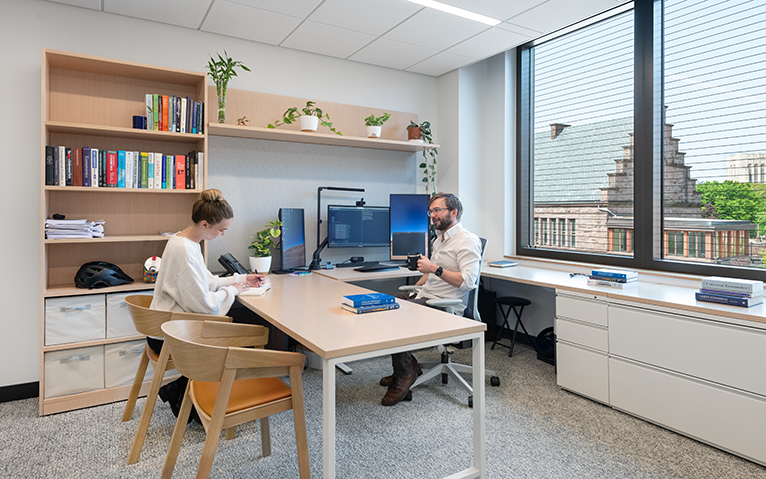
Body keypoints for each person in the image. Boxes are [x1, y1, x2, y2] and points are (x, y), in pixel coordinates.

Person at [149, 188, 266, 419]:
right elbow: (204, 304)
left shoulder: (186, 242)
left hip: (169, 326)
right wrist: (232, 291)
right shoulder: (184, 249)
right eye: (221, 229)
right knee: (244, 334)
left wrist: (241, 279)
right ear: (205, 224)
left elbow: (204, 282)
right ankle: (203, 401)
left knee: (240, 328)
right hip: (170, 335)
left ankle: (182, 391)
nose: (223, 234)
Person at [381, 192, 482, 406]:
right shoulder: (440, 239)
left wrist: (433, 268)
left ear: (454, 212)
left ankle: (404, 375)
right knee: (385, 307)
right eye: (431, 211)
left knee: (398, 317)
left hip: (445, 305)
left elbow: (468, 281)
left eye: (437, 210)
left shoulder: (467, 241)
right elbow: (429, 275)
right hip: (427, 296)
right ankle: (407, 367)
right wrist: (412, 292)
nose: (432, 215)